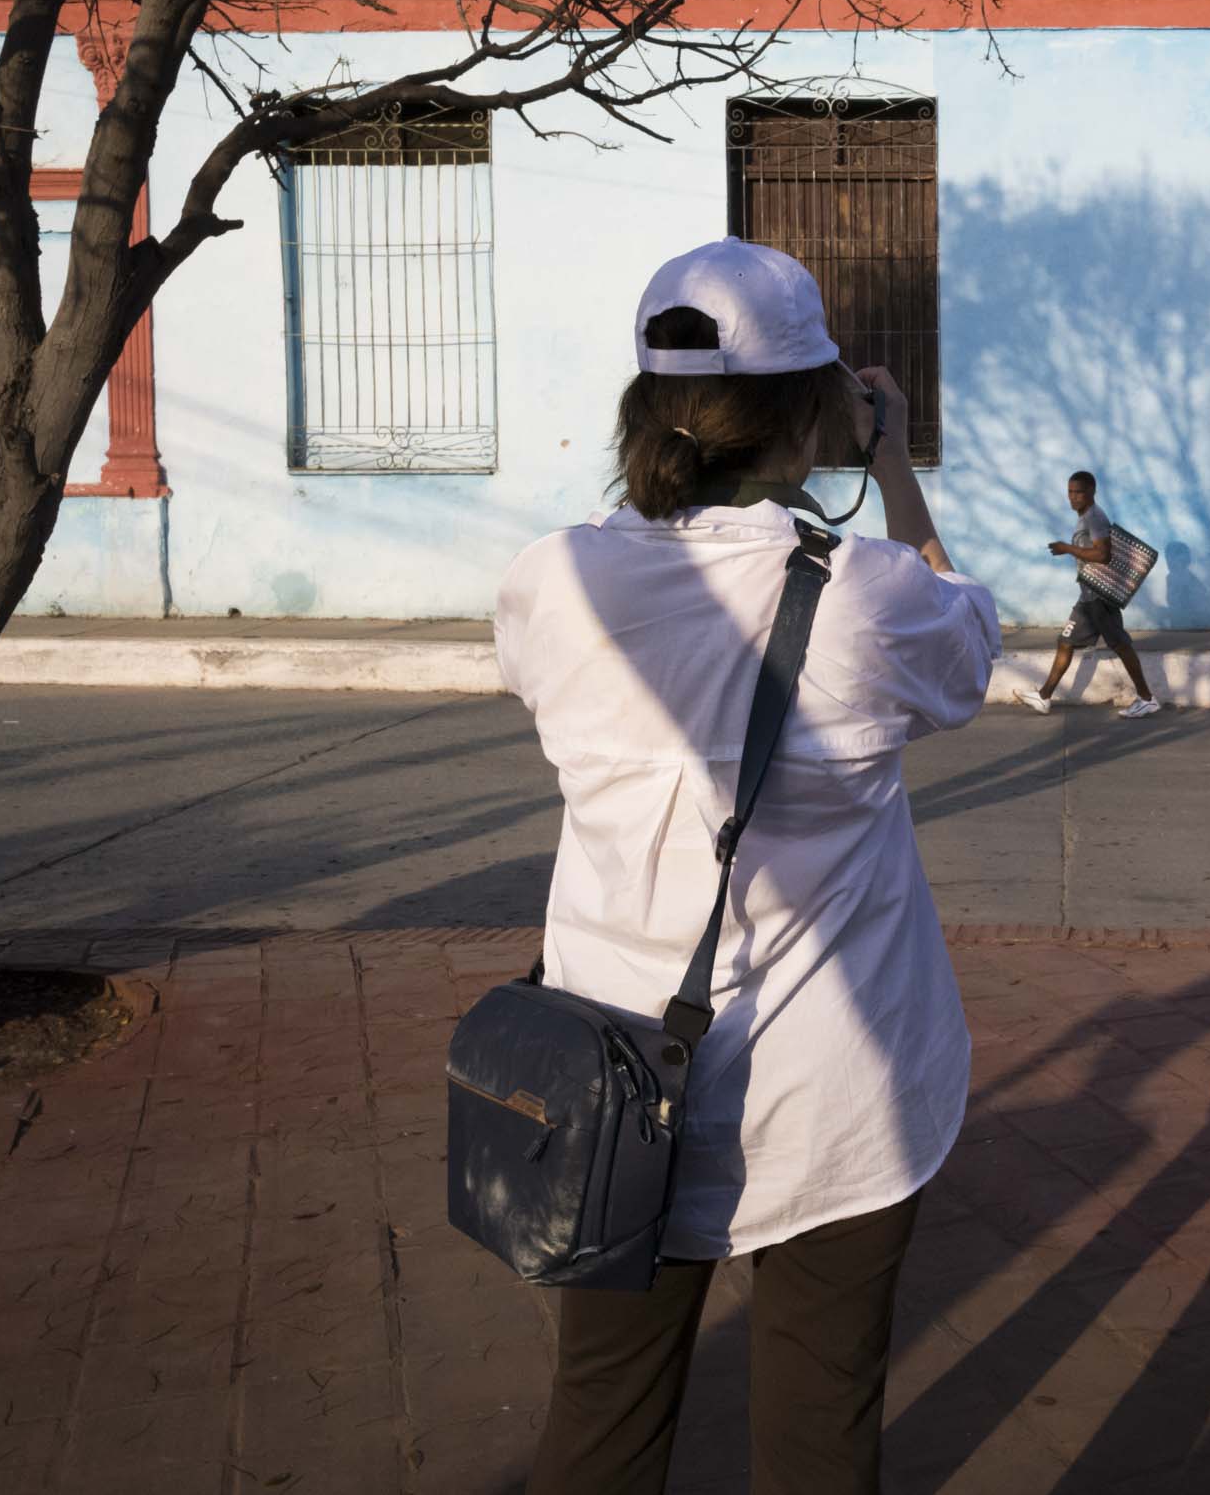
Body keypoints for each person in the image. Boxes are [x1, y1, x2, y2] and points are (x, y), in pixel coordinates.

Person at [495, 238, 1000, 1495]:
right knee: (820, 1436)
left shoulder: (550, 579)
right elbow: (972, 648)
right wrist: (891, 467)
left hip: (612, 1073)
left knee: (599, 1422)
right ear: (810, 405)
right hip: (829, 1095)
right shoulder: (867, 595)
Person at [1011, 468, 1161, 718]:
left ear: (1091, 492)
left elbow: (1104, 554)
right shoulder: (1085, 517)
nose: (1073, 497)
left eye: (1078, 493)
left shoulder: (1094, 518)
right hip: (1088, 596)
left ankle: (1147, 698)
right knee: (1066, 641)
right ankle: (1044, 696)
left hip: (1099, 599)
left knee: (1120, 645)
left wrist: (1066, 548)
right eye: (1070, 492)